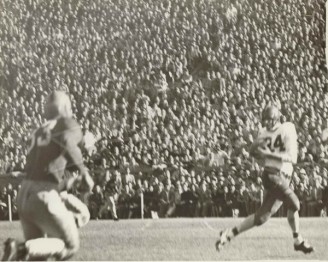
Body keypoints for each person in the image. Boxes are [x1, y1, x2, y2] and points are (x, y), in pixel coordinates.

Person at [1, 91, 94, 261]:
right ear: (66, 107)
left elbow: (43, 165)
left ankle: (22, 250)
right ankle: (19, 248)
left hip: (24, 195)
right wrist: (83, 172)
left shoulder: (40, 129)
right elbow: (66, 140)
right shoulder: (66, 123)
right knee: (70, 245)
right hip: (43, 193)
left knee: (38, 255)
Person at [216, 105, 314, 254]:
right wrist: (258, 152)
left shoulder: (287, 128)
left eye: (270, 120)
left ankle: (228, 234)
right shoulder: (263, 133)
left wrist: (268, 154)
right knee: (294, 203)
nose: (267, 123)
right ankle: (298, 239)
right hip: (272, 176)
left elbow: (292, 158)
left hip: (285, 176)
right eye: (265, 120)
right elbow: (252, 151)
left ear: (276, 118)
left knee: (261, 218)